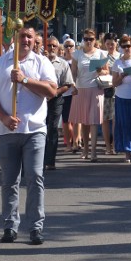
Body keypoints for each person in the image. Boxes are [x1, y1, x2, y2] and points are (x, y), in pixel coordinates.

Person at [0, 25, 57, 245]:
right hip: (6, 131)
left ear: (35, 40)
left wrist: (24, 80)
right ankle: (10, 226)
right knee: (9, 181)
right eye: (22, 36)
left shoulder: (42, 63)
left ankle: (35, 227)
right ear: (15, 37)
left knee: (34, 177)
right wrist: (3, 117)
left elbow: (51, 91)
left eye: (29, 37)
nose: (25, 40)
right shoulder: (1, 62)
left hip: (34, 130)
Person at [68, 29, 108, 162]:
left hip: (95, 88)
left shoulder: (101, 54)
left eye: (91, 39)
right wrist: (72, 85)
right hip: (81, 89)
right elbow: (73, 72)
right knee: (83, 121)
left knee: (94, 121)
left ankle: (93, 152)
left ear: (95, 40)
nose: (88, 41)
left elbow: (107, 71)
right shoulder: (77, 54)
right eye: (86, 39)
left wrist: (100, 71)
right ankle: (85, 149)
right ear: (83, 39)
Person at [44, 36, 74, 170]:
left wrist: (55, 93)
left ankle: (50, 160)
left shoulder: (63, 64)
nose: (51, 48)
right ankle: (39, 159)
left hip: (56, 99)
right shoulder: (40, 61)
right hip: (40, 99)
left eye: (54, 46)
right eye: (49, 45)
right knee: (40, 129)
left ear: (58, 48)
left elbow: (68, 84)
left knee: (52, 128)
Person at [101, 33, 120, 155]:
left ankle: (115, 145)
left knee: (115, 119)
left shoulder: (120, 56)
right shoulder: (102, 56)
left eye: (112, 44)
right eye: (107, 44)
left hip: (118, 90)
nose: (110, 46)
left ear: (116, 43)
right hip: (104, 89)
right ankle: (107, 145)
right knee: (105, 119)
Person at [60, 38, 78, 152]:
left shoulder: (77, 60)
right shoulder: (60, 61)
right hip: (64, 93)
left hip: (76, 93)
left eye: (71, 46)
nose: (68, 48)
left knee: (76, 120)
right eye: (66, 46)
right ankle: (69, 144)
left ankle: (76, 141)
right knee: (66, 121)